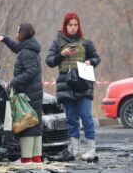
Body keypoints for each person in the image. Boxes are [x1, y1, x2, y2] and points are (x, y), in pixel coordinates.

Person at [45, 12, 100, 161]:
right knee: (71, 119)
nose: (73, 28)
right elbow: (49, 61)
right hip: (66, 85)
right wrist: (62, 54)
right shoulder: (58, 42)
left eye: (76, 25)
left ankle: (91, 150)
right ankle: (75, 151)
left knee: (87, 117)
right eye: (70, 25)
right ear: (65, 25)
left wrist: (91, 62)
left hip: (83, 84)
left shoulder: (86, 42)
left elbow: (96, 57)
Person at [0, 23, 43, 164]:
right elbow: (16, 48)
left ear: (23, 33)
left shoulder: (26, 52)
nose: (16, 33)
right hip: (34, 92)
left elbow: (31, 71)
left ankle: (26, 159)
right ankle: (37, 159)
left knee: (26, 125)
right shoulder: (29, 47)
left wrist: (13, 82)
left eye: (17, 31)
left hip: (28, 94)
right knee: (35, 125)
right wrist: (4, 39)